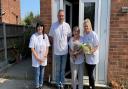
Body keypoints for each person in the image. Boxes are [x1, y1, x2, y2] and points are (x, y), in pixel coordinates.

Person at [49, 9, 71, 89]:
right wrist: (55, 44)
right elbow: (50, 36)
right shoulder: (53, 25)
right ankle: (58, 84)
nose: (61, 17)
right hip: (57, 52)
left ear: (64, 16)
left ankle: (62, 83)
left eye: (62, 16)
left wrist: (65, 44)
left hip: (64, 52)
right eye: (60, 15)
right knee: (58, 69)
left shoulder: (67, 25)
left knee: (63, 69)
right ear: (57, 16)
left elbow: (69, 37)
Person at [29, 22, 50, 89]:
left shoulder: (45, 36)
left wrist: (44, 57)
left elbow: (47, 47)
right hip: (36, 59)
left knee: (42, 73)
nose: (40, 28)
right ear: (36, 28)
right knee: (37, 73)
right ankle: (37, 86)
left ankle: (41, 85)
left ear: (43, 28)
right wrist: (38, 58)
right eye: (38, 26)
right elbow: (32, 48)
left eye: (41, 26)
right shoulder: (33, 36)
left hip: (43, 58)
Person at [83, 18, 99, 89]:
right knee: (89, 73)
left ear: (90, 26)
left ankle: (93, 87)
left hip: (93, 57)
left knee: (90, 73)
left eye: (87, 26)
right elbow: (84, 45)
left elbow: (97, 45)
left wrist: (92, 51)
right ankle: (90, 86)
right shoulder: (85, 35)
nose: (86, 27)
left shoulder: (94, 34)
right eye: (85, 26)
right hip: (87, 57)